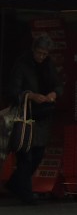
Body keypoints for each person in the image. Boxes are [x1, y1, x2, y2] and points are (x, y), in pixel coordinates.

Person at [6, 35, 64, 205]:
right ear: (33, 50)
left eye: (44, 54)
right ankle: (26, 194)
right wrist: (30, 96)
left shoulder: (48, 66)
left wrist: (54, 93)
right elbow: (12, 91)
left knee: (38, 154)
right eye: (39, 53)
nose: (41, 57)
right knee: (25, 155)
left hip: (43, 116)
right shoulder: (22, 65)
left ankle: (15, 184)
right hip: (25, 116)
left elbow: (58, 85)